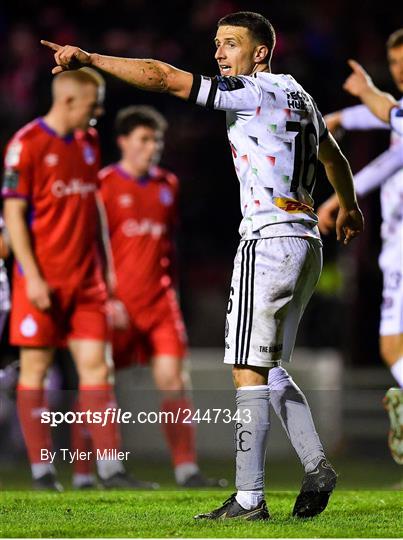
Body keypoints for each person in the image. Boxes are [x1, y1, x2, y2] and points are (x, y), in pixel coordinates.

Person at [41, 10, 363, 518]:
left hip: (268, 239)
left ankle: (249, 499)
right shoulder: (301, 95)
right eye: (216, 43)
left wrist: (91, 59)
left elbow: (163, 77)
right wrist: (348, 207)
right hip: (305, 242)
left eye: (230, 43)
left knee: (246, 371)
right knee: (270, 366)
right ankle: (316, 463)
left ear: (260, 52)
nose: (218, 52)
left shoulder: (250, 90)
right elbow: (334, 159)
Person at [1, 68, 152, 490]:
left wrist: (107, 266)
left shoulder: (87, 141)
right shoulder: (25, 145)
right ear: (68, 101)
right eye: (93, 103)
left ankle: (110, 470)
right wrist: (31, 278)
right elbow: (12, 215)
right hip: (42, 282)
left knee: (97, 370)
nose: (99, 112)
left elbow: (95, 206)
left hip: (86, 282)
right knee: (35, 370)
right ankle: (42, 472)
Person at [76, 104, 223, 487]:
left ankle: (186, 469)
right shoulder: (104, 185)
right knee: (97, 381)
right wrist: (104, 296)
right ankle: (83, 471)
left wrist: (175, 293)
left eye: (157, 139)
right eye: (144, 139)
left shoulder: (167, 185)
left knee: (174, 380)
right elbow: (89, 246)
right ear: (123, 141)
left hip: (160, 304)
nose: (152, 146)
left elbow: (171, 247)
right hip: (116, 304)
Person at [318, 29, 403, 465]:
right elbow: (384, 118)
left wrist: (340, 197)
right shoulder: (397, 113)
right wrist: (341, 116)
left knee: (392, 346)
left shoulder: (398, 113)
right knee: (392, 347)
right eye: (395, 64)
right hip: (394, 243)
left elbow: (393, 144)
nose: (400, 71)